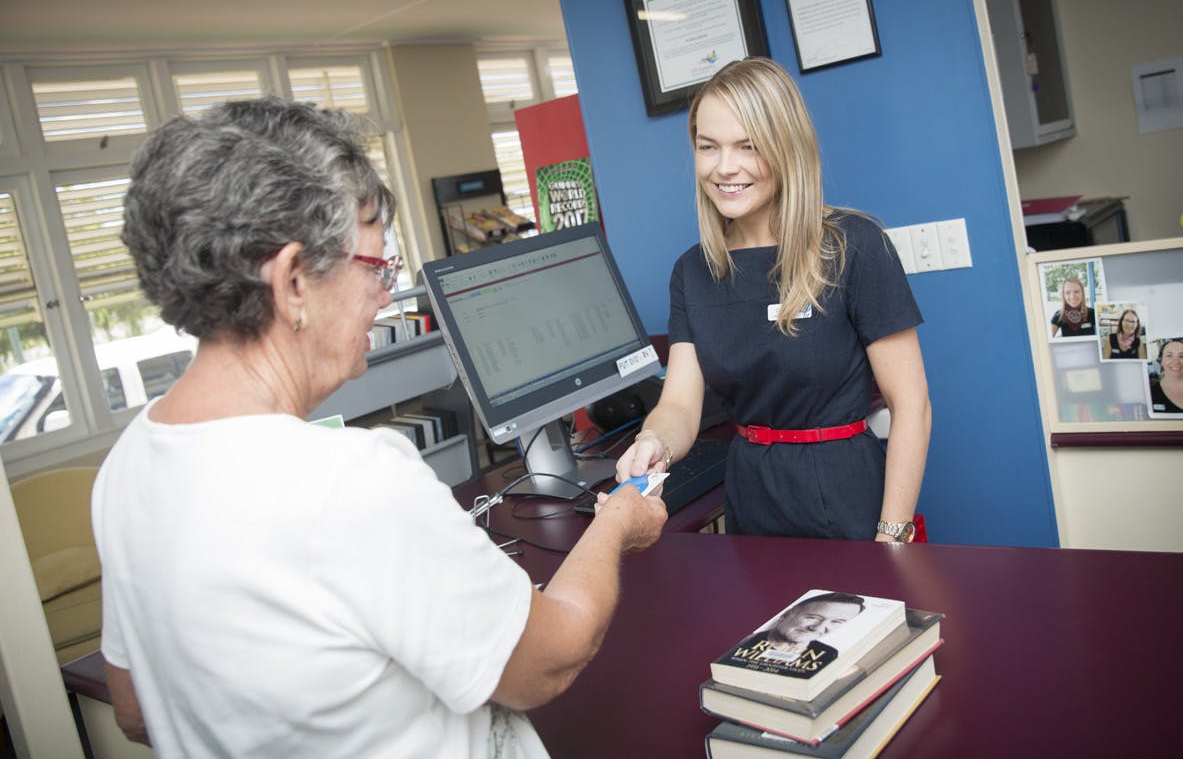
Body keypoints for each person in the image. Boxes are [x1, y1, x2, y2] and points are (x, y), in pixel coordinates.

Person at [92, 98, 667, 758]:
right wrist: (616, 521)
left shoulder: (127, 466)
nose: (385, 294)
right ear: (293, 280)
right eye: (375, 265)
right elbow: (548, 661)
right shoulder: (349, 479)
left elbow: (138, 709)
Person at [613, 57, 931, 542]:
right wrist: (653, 441)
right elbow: (679, 405)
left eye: (748, 146)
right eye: (708, 147)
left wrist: (891, 534)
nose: (724, 167)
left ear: (786, 148)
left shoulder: (853, 245)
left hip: (848, 498)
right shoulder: (693, 272)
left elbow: (911, 404)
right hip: (751, 498)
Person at [751, 592, 865, 663]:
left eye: (836, 622)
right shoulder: (743, 642)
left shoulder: (829, 655)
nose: (818, 628)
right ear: (785, 615)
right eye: (813, 618)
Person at [1149, 339, 1183, 413]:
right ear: (1161, 361)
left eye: (1181, 356)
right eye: (1169, 356)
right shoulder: (1151, 393)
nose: (1176, 361)